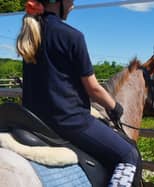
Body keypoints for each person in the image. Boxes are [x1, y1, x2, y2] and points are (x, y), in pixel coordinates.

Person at [16, 0, 141, 186]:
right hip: (69, 121)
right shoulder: (72, 36)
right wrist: (114, 106)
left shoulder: (31, 34)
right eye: (71, 1)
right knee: (129, 154)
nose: (72, 6)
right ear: (57, 2)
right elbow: (93, 88)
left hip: (33, 118)